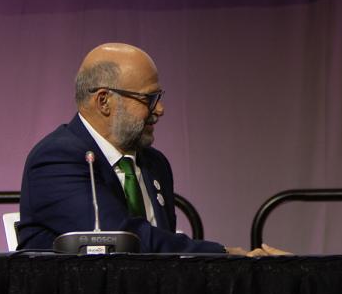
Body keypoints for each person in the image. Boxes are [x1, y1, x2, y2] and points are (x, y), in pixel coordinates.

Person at [18, 43, 246, 254]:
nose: (160, 110)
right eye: (149, 99)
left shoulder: (155, 164)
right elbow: (125, 240)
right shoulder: (56, 160)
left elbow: (161, 246)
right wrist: (221, 255)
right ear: (104, 101)